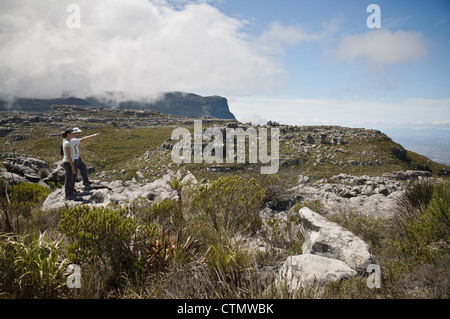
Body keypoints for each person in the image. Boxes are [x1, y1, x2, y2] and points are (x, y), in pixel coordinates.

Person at [62, 129, 77, 200]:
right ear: (68, 134)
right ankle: (67, 195)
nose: (73, 135)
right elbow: (68, 156)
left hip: (68, 162)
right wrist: (73, 167)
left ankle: (71, 192)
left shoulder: (67, 142)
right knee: (68, 179)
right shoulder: (67, 143)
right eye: (71, 134)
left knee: (70, 178)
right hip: (68, 162)